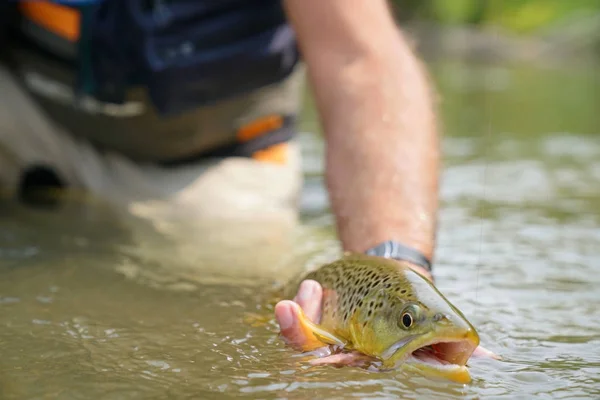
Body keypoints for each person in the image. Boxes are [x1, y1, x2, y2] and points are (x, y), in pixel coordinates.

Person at [0, 0, 461, 363]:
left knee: (248, 309)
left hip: (214, 159)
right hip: (20, 106)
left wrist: (397, 265)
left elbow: (361, 58)